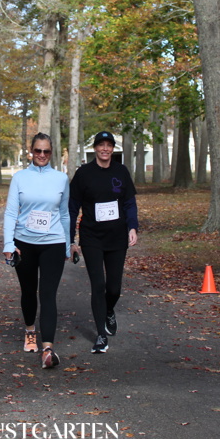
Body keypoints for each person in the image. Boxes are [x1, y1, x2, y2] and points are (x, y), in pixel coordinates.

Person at [3, 133, 71, 369]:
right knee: (29, 291)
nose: (42, 155)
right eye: (38, 150)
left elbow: (64, 214)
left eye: (46, 151)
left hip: (53, 243)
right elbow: (11, 212)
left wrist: (68, 244)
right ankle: (30, 330)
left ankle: (48, 348)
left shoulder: (61, 179)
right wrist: (8, 244)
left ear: (52, 153)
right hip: (25, 243)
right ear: (31, 151)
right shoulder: (20, 178)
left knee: (48, 294)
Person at [69, 131, 138, 353]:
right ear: (95, 148)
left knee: (114, 287)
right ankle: (100, 335)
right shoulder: (84, 173)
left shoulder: (121, 171)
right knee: (98, 285)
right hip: (92, 237)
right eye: (101, 145)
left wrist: (133, 227)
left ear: (113, 149)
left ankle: (109, 310)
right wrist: (70, 239)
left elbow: (129, 203)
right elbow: (72, 207)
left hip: (117, 237)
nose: (105, 149)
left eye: (109, 145)